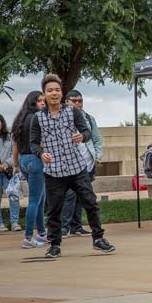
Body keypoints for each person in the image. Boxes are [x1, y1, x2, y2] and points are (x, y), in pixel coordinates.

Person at [29, 74, 115, 258]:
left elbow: (87, 132)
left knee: (91, 203)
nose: (54, 93)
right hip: (54, 171)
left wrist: (82, 137)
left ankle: (98, 238)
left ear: (62, 93)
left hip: (77, 168)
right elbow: (33, 143)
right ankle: (54, 244)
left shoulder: (72, 112)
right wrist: (40, 153)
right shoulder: (37, 118)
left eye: (57, 90)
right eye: (50, 90)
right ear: (44, 95)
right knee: (54, 210)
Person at [60, 90, 103, 237]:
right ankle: (64, 227)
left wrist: (97, 157)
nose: (78, 103)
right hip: (70, 163)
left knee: (82, 196)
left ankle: (76, 227)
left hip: (88, 163)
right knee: (70, 195)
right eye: (74, 100)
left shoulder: (89, 119)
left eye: (80, 100)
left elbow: (96, 139)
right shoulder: (61, 118)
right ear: (67, 102)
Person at [10, 91, 48, 248]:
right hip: (35, 160)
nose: (43, 103)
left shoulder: (20, 119)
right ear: (33, 103)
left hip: (23, 160)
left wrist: (16, 165)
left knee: (40, 199)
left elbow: (16, 146)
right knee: (34, 200)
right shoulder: (36, 119)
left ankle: (42, 234)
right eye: (40, 101)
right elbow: (40, 142)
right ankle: (27, 238)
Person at [0, 113, 21, 232]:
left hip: (8, 171)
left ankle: (14, 222)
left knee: (14, 196)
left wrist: (6, 164)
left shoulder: (10, 137)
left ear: (2, 122)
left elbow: (15, 153)